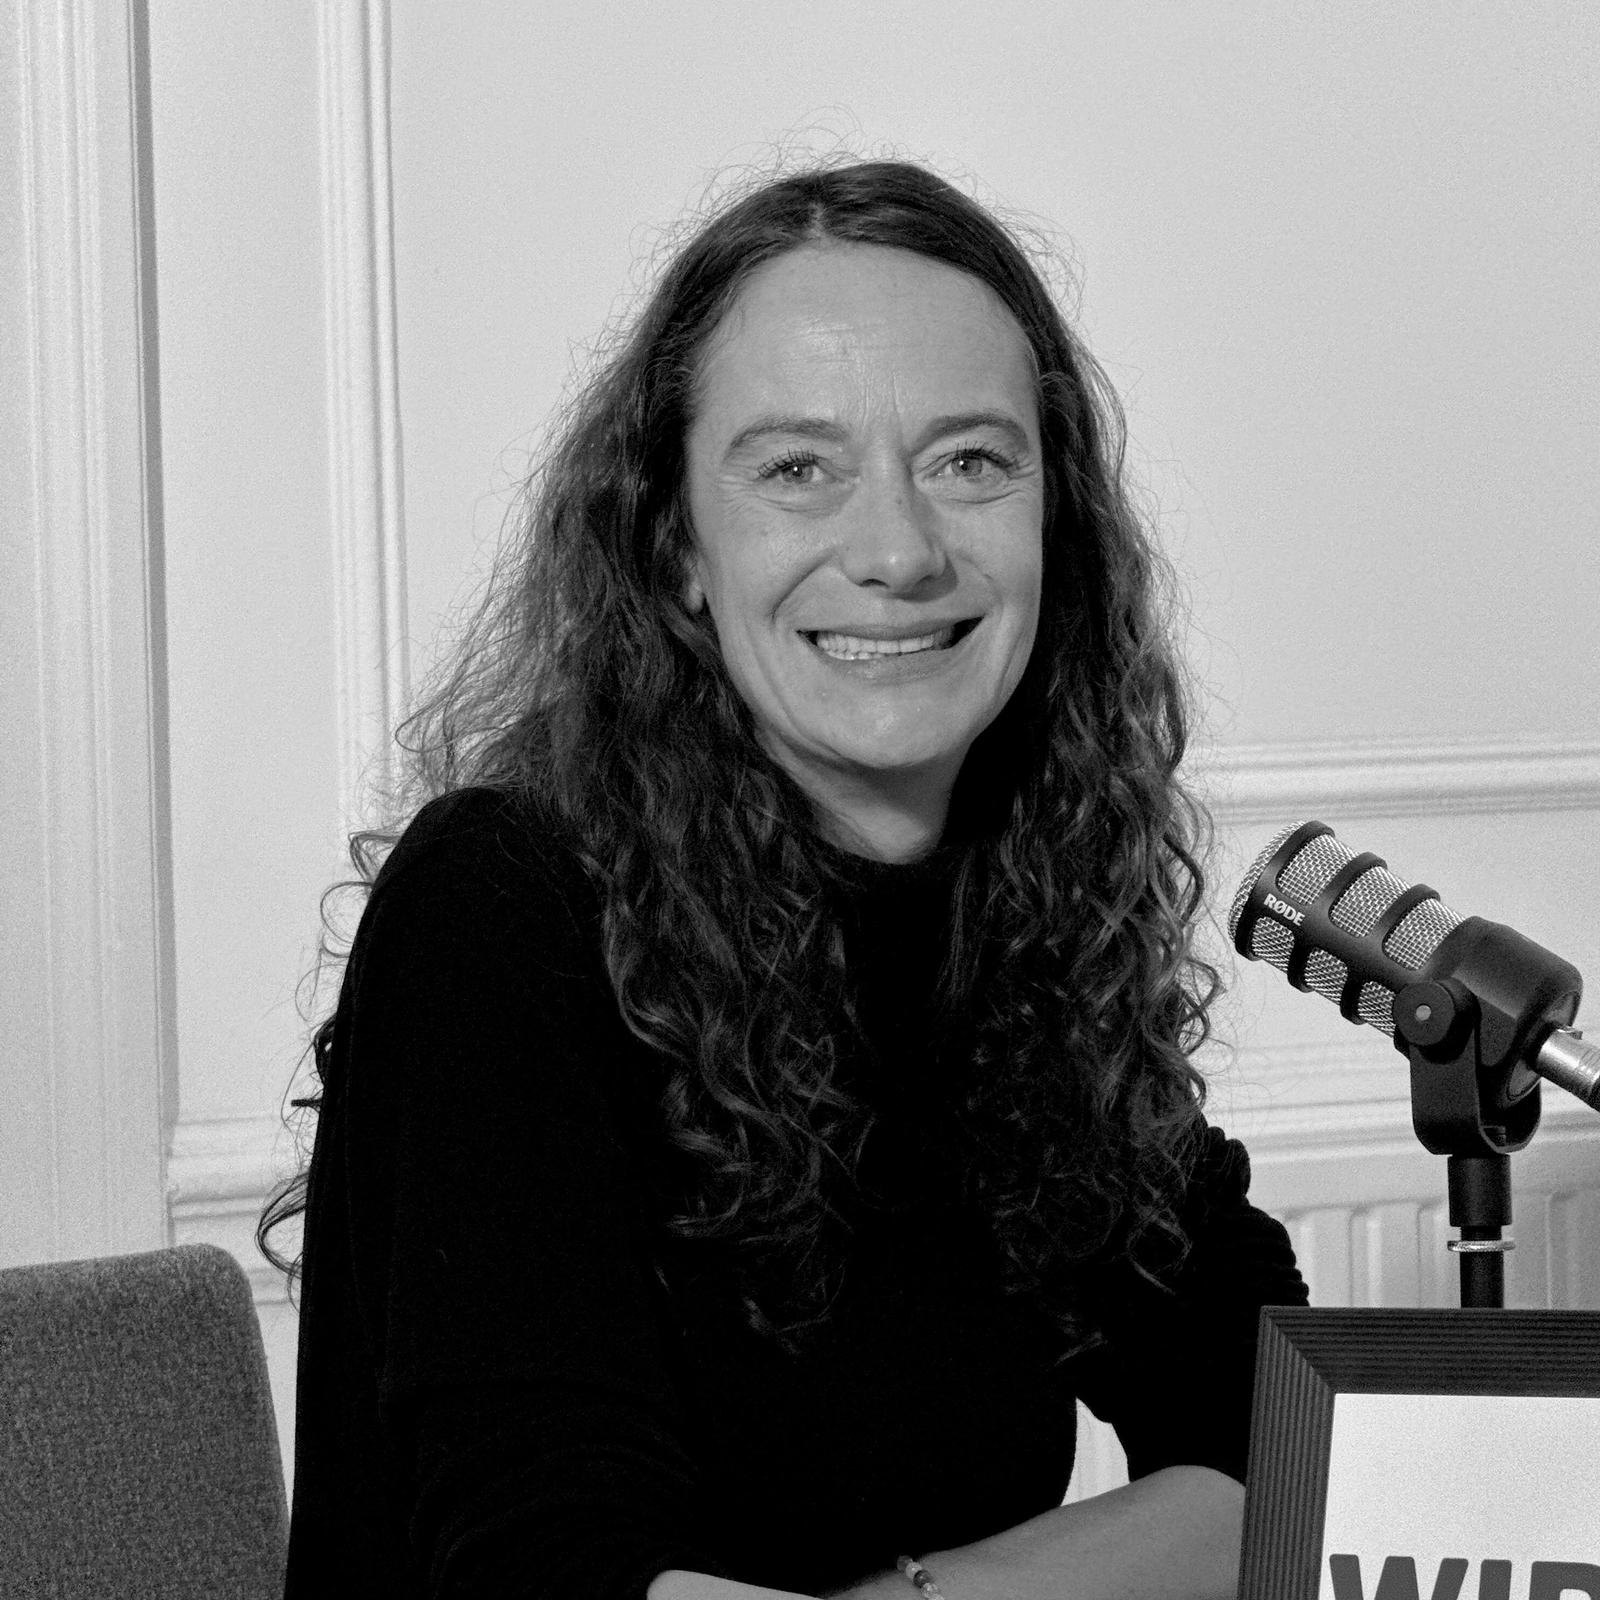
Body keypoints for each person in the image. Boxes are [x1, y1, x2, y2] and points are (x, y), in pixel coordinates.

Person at [260, 158, 1308, 1599]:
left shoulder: (1025, 921)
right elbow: (552, 1572)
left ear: (1053, 527)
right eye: (798, 469)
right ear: (676, 547)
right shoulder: (499, 904)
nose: (898, 550)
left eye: (970, 461)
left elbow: (1280, 1438)